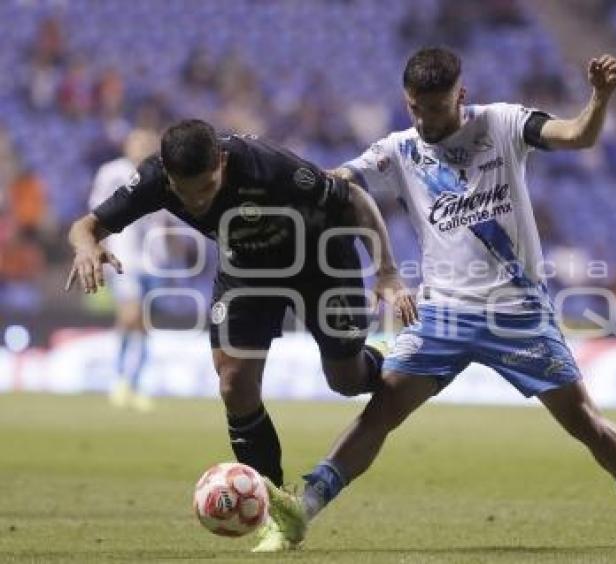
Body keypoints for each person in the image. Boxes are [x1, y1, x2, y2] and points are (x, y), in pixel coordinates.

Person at [282, 47, 616, 549]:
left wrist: (599, 98)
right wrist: (290, 183)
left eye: (435, 108)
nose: (423, 120)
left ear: (460, 96)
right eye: (414, 108)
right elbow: (338, 181)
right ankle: (305, 507)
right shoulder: (399, 150)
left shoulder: (503, 124)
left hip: (516, 311)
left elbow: (579, 134)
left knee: (585, 424)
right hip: (442, 314)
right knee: (380, 412)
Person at [65, 119, 417, 552]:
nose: (196, 200)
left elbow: (356, 200)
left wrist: (386, 271)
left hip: (321, 261)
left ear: (223, 162)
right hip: (248, 270)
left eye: (207, 186)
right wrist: (86, 247)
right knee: (234, 382)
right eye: (184, 190)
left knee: (345, 381)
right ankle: (276, 507)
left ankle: (381, 361)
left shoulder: (272, 168)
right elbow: (86, 226)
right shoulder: (155, 178)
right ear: (168, 176)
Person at [88, 129, 167, 411]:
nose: (142, 147)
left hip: (155, 261)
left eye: (148, 143)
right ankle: (120, 380)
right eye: (138, 142)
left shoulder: (162, 174)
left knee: (144, 324)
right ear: (127, 144)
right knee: (131, 315)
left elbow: (167, 218)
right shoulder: (113, 172)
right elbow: (97, 211)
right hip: (124, 258)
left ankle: (134, 384)